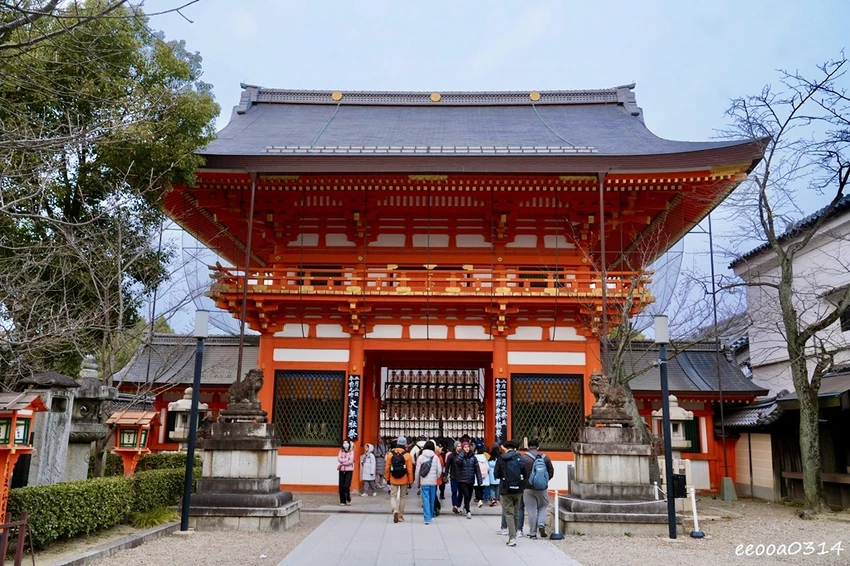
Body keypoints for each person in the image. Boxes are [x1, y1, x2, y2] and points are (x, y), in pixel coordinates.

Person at [494, 439, 525, 546]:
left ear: (505, 448)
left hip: (505, 489)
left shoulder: (502, 459)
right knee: (516, 512)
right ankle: (515, 533)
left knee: (509, 513)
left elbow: (496, 474)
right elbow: (526, 474)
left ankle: (512, 538)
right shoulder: (521, 458)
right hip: (519, 489)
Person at [522, 439, 555, 539]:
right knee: (543, 507)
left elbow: (521, 473)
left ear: (528, 447)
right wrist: (543, 481)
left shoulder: (523, 458)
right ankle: (541, 524)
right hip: (542, 488)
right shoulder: (545, 458)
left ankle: (532, 533)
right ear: (538, 447)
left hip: (528, 487)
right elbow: (551, 472)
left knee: (531, 510)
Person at [385, 435, 413, 523]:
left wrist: (387, 478)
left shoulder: (390, 454)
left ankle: (394, 510)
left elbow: (387, 468)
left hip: (393, 478)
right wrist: (411, 481)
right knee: (403, 496)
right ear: (405, 444)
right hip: (404, 478)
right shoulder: (407, 455)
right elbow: (409, 470)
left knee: (393, 495)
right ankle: (400, 515)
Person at [413, 440, 443, 525]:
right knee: (432, 499)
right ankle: (431, 514)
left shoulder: (421, 457)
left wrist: (417, 483)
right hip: (433, 482)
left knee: (425, 499)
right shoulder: (435, 457)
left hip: (424, 482)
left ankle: (427, 517)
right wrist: (435, 477)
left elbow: (417, 472)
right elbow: (439, 470)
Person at [452, 441, 482, 519]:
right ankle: (468, 510)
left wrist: (479, 480)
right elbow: (458, 462)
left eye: (468, 447)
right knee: (466, 495)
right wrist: (462, 453)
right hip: (462, 479)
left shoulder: (473, 457)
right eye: (465, 447)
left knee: (469, 495)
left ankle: (465, 506)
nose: (467, 448)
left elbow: (477, 469)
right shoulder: (460, 456)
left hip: (471, 479)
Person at [445, 441, 462, 514]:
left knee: (461, 493)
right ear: (455, 447)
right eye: (458, 446)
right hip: (453, 476)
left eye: (460, 446)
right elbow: (447, 466)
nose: (459, 447)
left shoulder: (463, 455)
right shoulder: (451, 456)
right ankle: (454, 505)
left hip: (461, 477)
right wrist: (445, 475)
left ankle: (458, 505)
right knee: (454, 491)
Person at [337, 440, 355, 506]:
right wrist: (346, 460)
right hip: (341, 470)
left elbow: (351, 461)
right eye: (344, 443)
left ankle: (348, 497)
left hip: (349, 470)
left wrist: (343, 463)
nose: (345, 444)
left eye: (346, 443)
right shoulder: (341, 451)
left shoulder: (351, 452)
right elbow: (339, 458)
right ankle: (342, 501)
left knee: (346, 485)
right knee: (341, 486)